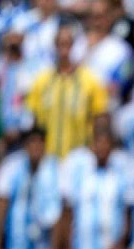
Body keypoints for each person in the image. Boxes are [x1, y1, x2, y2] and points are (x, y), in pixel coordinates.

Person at [24, 23, 109, 158]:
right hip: (48, 158)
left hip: (80, 157)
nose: (64, 48)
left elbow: (101, 119)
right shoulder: (41, 82)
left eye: (67, 43)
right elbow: (34, 122)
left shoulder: (90, 81)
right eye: (60, 43)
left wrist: (96, 148)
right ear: (55, 46)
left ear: (73, 45)